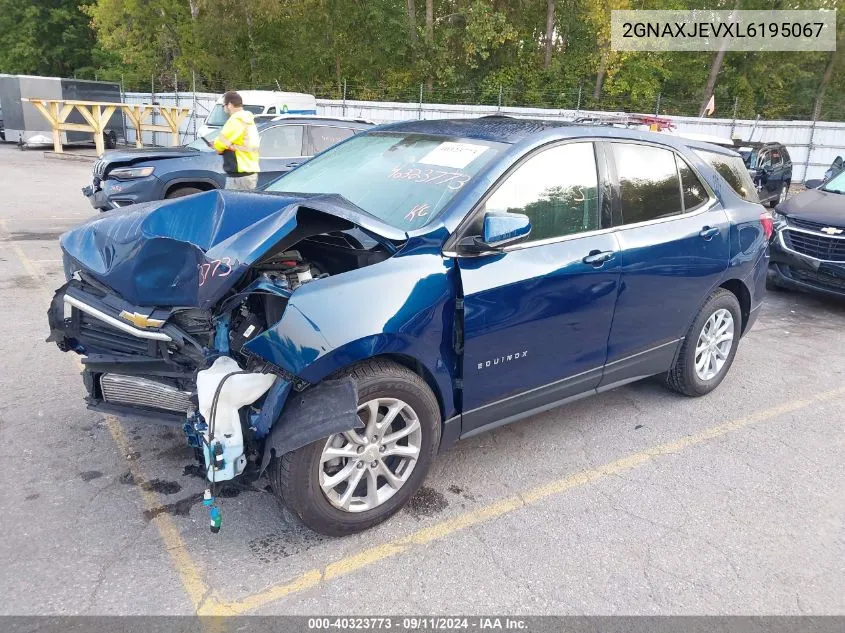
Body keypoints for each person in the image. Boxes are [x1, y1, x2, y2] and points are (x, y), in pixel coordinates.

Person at [212, 91, 260, 190]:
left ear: (229, 105)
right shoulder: (247, 119)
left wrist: (216, 145)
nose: (224, 108)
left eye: (223, 105)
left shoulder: (236, 119)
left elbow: (222, 141)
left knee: (233, 203)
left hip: (239, 173)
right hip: (247, 170)